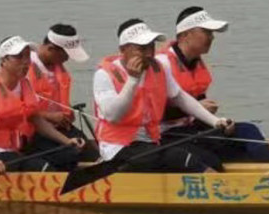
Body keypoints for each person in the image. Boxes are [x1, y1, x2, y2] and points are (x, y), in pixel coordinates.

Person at [92, 24, 230, 172]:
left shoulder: (158, 68)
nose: (148, 54)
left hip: (151, 142)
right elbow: (114, 116)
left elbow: (180, 97)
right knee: (178, 157)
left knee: (207, 158)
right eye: (141, 49)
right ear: (123, 50)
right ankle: (218, 187)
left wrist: (215, 121)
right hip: (117, 147)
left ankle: (216, 182)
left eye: (151, 47)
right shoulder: (104, 75)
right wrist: (132, 80)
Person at [157, 7, 269, 163]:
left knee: (249, 130)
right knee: (212, 159)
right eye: (207, 32)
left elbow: (200, 107)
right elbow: (152, 114)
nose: (212, 37)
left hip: (192, 129)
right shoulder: (161, 64)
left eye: (211, 33)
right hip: (168, 135)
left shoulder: (197, 63)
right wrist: (197, 109)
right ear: (186, 35)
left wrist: (220, 123)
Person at [0, 37, 79, 173]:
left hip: (13, 149)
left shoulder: (25, 84)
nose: (25, 62)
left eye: (27, 57)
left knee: (69, 155)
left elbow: (35, 119)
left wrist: (66, 141)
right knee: (42, 168)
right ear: (4, 60)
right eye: (19, 57)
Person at [28, 24, 88, 148]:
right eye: (66, 54)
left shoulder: (57, 65)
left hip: (59, 126)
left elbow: (55, 100)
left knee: (90, 150)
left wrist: (68, 112)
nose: (68, 59)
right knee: (70, 154)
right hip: (34, 131)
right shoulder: (25, 66)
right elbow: (17, 109)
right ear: (51, 48)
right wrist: (50, 116)